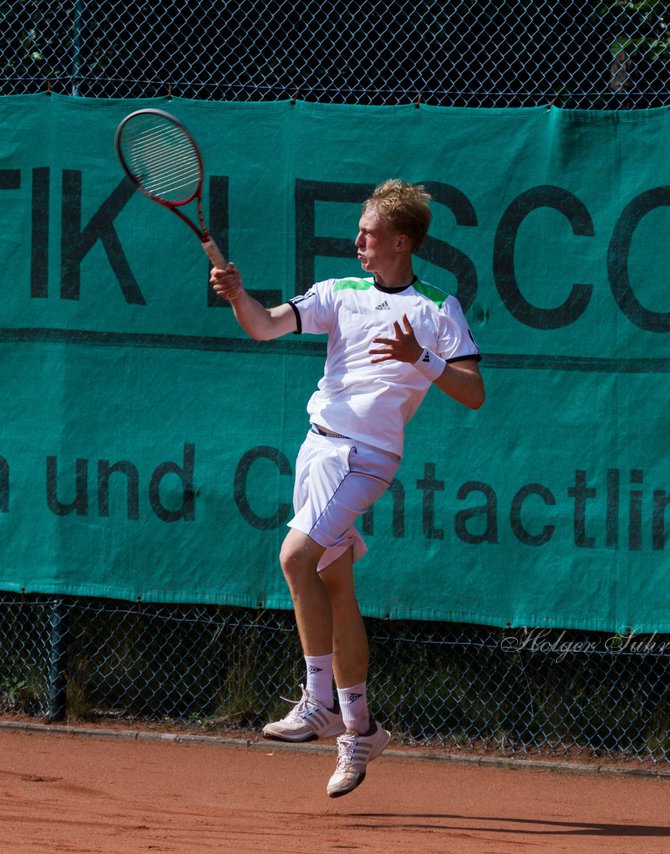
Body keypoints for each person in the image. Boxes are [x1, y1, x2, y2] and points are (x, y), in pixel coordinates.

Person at [209, 179, 485, 797]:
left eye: (369, 231)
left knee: (294, 557)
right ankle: (360, 730)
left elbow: (473, 392)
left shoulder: (438, 309)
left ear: (401, 241)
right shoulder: (339, 292)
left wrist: (424, 358)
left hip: (368, 458)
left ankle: (318, 701)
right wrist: (237, 296)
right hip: (318, 450)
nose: (357, 239)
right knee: (334, 583)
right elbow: (264, 326)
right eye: (359, 229)